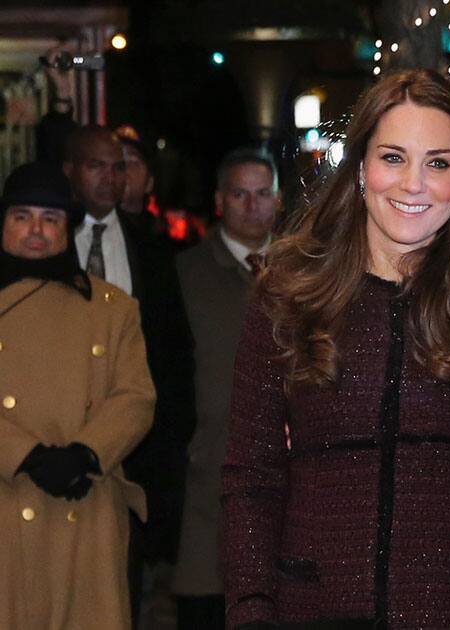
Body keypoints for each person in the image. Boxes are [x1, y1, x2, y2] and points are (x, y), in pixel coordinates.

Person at [222, 68, 450, 629]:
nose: (413, 183)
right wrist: (251, 611)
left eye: (438, 162)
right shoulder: (288, 294)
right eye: (393, 158)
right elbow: (252, 476)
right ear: (360, 165)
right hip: (309, 611)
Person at [0, 161, 155, 629]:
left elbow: (136, 396)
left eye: (51, 219)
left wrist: (86, 454)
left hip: (87, 499)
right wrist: (25, 456)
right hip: (8, 498)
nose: (36, 231)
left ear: (68, 230)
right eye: (22, 216)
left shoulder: (113, 309)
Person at [62, 125, 196, 623]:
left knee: (127, 583)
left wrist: (174, 435)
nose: (111, 178)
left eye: (119, 167)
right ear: (70, 173)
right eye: (98, 166)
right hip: (60, 441)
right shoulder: (47, 243)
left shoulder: (154, 247)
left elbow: (175, 351)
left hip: (139, 451)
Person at [172, 148, 281, 629]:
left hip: (291, 477)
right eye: (239, 194)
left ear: (278, 201)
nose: (251, 205)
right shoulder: (185, 274)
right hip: (209, 477)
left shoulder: (310, 271)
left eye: (262, 194)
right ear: (220, 200)